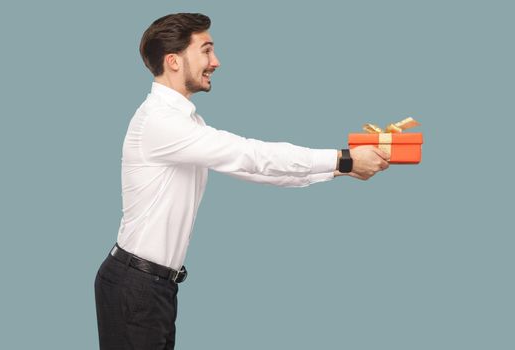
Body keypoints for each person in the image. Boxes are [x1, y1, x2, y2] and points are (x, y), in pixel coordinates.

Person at [94, 12, 389, 350]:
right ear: (173, 61)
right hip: (137, 287)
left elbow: (253, 169)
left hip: (152, 286)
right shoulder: (160, 123)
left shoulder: (185, 123)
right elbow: (252, 154)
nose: (215, 61)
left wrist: (343, 169)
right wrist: (344, 157)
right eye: (206, 50)